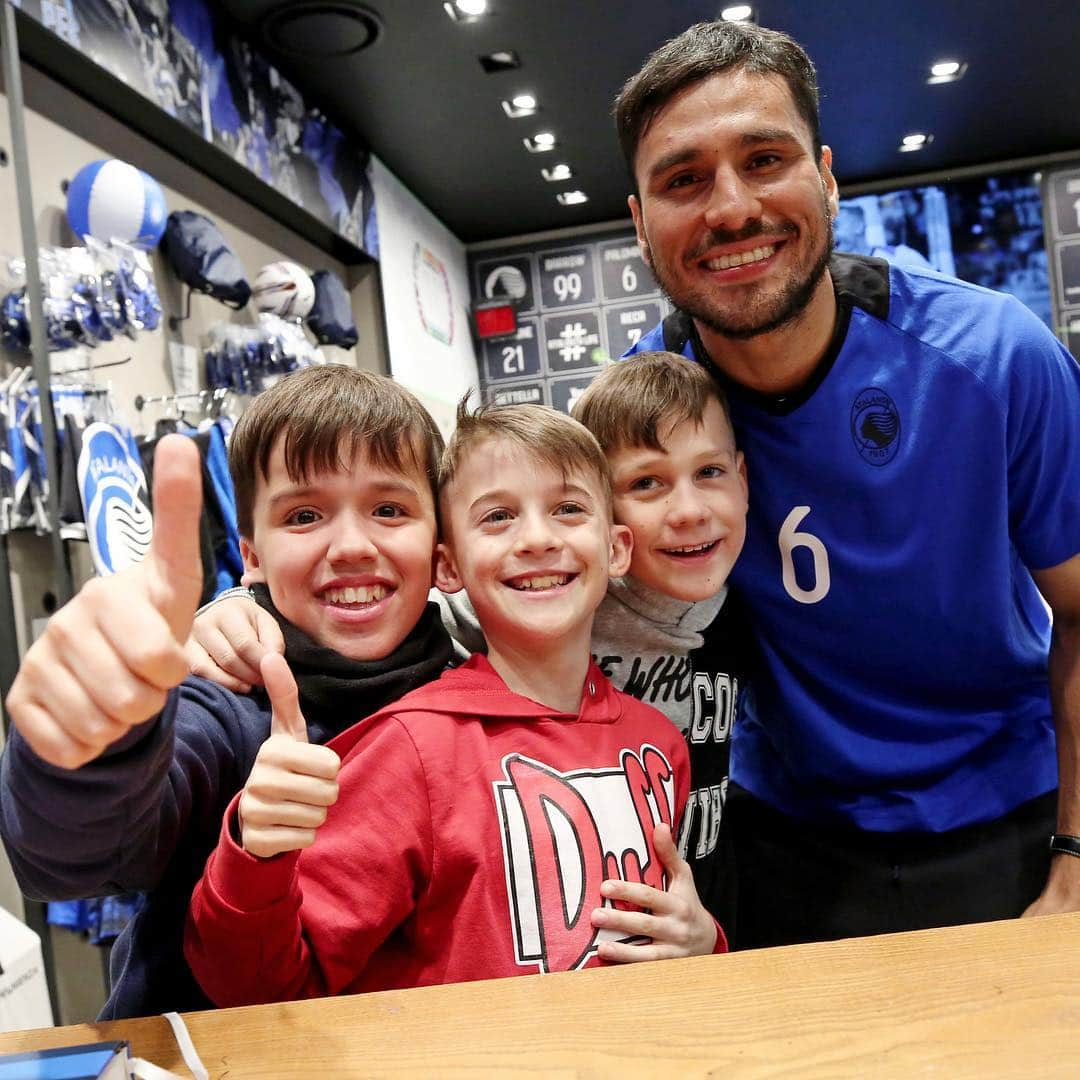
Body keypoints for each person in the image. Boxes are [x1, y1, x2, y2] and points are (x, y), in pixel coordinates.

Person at [616, 19, 1080, 947]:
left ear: (826, 177)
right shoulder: (638, 421)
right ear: (638, 221)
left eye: (765, 158)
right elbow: (516, 583)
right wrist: (249, 615)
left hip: (1016, 823)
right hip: (781, 843)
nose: (731, 207)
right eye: (682, 179)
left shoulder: (994, 358)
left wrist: (1077, 856)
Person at [184, 401, 724, 1007]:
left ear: (617, 547)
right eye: (497, 517)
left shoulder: (660, 742)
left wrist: (705, 942)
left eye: (568, 509)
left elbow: (671, 945)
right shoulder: (410, 748)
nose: (539, 539)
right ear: (447, 564)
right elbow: (259, 984)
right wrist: (257, 852)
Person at [0, 365, 455, 1018]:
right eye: (304, 515)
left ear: (440, 544)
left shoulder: (479, 686)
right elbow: (69, 857)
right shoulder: (229, 704)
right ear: (253, 556)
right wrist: (92, 742)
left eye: (389, 510)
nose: (352, 545)